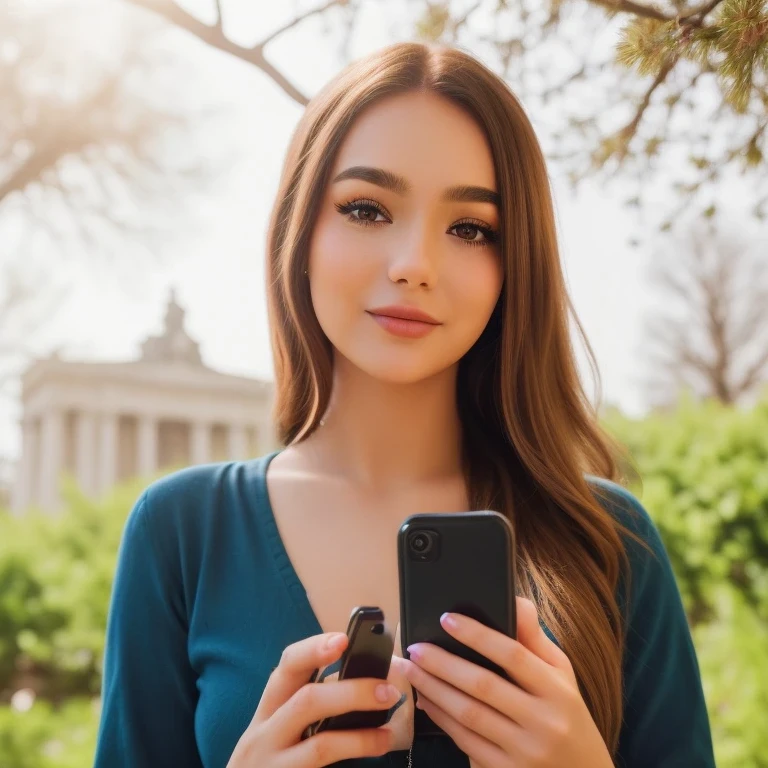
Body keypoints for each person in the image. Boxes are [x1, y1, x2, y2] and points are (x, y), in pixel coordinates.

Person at [93, 42, 716, 768]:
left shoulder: (608, 540)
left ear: (514, 265)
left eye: (470, 228)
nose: (415, 263)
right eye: (366, 209)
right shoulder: (183, 533)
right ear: (301, 233)